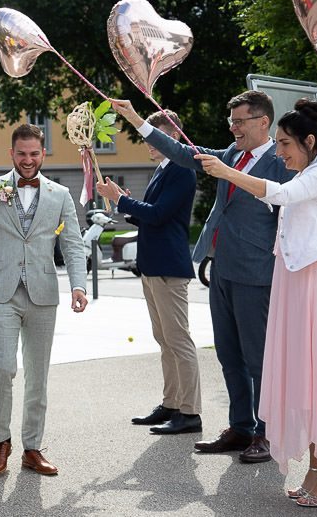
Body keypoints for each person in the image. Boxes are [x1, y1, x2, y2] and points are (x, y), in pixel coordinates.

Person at [112, 91, 294, 464]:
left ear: (263, 122)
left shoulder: (281, 162)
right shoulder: (230, 154)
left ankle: (266, 433)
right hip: (222, 269)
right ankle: (240, 426)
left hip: (256, 272)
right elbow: (181, 151)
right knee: (229, 355)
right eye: (231, 121)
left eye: (239, 121)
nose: (233, 128)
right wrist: (135, 119)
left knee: (257, 359)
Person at [199, 99, 317, 508]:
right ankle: (315, 467)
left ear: (308, 141)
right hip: (291, 283)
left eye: (285, 144)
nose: (279, 151)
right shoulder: (308, 169)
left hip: (314, 286)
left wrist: (230, 172)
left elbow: (282, 196)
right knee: (301, 377)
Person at [0, 124, 88, 476]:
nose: (28, 160)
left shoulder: (59, 194)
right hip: (0, 293)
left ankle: (32, 448)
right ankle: (1, 442)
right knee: (3, 367)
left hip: (42, 293)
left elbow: (72, 244)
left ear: (43, 154)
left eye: (34, 154)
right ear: (12, 154)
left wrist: (79, 285)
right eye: (22, 154)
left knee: (38, 375)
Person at [96, 109, 201, 435]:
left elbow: (158, 215)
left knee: (178, 341)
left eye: (157, 138)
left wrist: (122, 202)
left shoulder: (182, 169)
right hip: (155, 266)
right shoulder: (163, 170)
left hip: (169, 267)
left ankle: (190, 412)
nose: (150, 144)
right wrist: (125, 202)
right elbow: (152, 217)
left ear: (174, 137)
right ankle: (171, 403)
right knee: (164, 339)